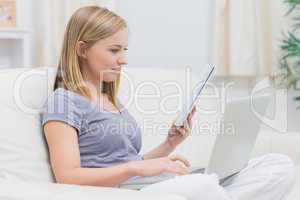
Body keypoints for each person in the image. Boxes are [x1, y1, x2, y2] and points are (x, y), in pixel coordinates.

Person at [41, 6, 295, 200]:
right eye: (114, 50)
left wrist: (169, 144)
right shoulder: (64, 101)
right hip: (124, 191)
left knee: (278, 165)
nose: (123, 60)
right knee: (204, 185)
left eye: (125, 50)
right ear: (82, 49)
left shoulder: (111, 99)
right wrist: (135, 168)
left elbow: (130, 160)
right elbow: (68, 175)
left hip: (150, 184)